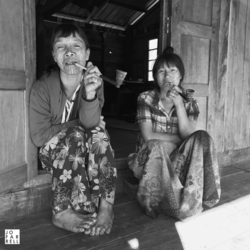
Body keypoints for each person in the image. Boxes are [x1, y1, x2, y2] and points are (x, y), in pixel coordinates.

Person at [29, 23, 116, 236]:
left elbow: (92, 125)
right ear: (54, 55)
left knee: (99, 134)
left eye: (76, 46)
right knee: (76, 135)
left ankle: (106, 207)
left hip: (85, 152)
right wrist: (74, 126)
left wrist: (89, 93)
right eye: (61, 47)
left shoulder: (94, 81)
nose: (69, 52)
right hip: (55, 155)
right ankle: (61, 211)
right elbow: (40, 137)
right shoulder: (42, 87)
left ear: (86, 54)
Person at [127, 47, 221, 220]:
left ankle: (195, 198)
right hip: (148, 161)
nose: (167, 76)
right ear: (155, 77)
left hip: (176, 161)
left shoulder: (189, 102)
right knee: (155, 145)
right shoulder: (145, 98)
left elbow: (190, 136)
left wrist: (179, 104)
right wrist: (178, 139)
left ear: (180, 76)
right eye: (161, 71)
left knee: (202, 137)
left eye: (172, 70)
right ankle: (157, 201)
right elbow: (148, 136)